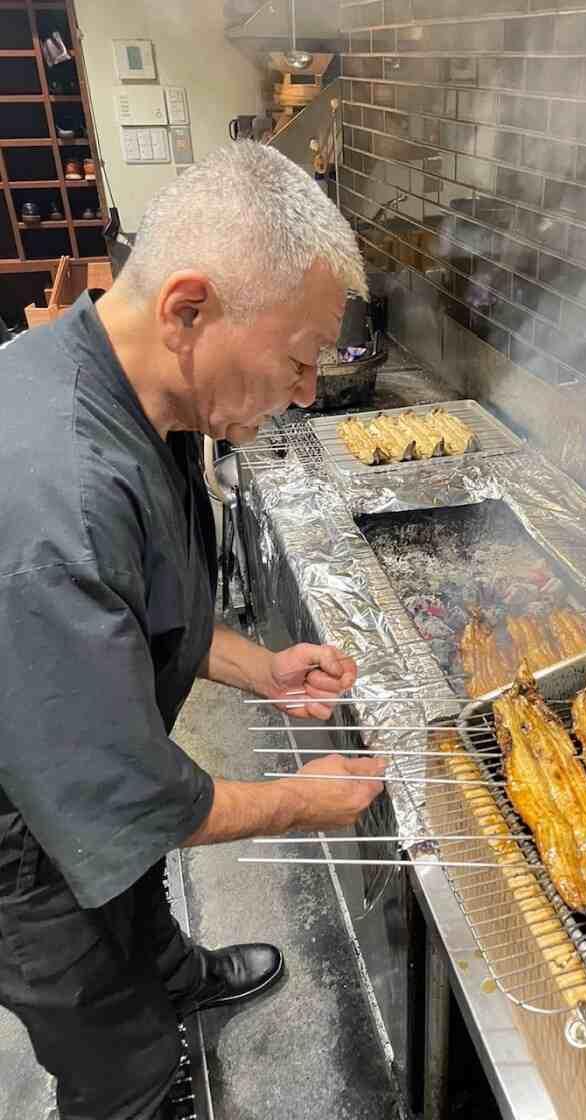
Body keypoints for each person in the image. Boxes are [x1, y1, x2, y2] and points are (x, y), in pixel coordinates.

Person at [0, 142, 386, 1120]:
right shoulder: (64, 495)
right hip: (23, 844)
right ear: (188, 309)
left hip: (69, 749)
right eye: (297, 360)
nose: (307, 392)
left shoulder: (128, 386)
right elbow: (115, 796)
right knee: (116, 1053)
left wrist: (263, 667)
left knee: (141, 912)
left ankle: (178, 977)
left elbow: (137, 607)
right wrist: (302, 799)